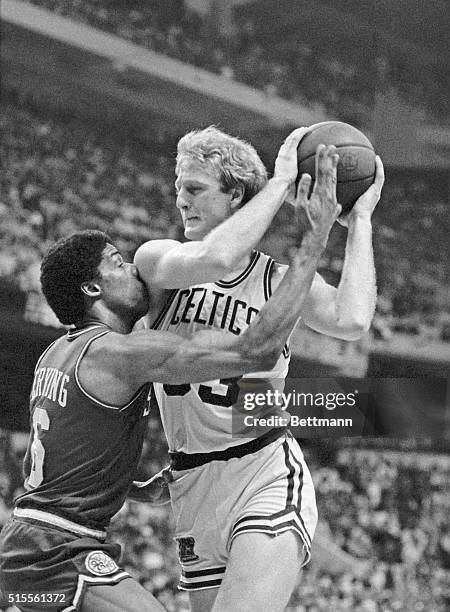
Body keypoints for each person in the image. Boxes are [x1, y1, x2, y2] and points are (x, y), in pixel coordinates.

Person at [0, 155, 340, 612]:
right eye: (118, 265)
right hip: (54, 549)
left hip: (29, 543)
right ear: (93, 290)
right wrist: (314, 241)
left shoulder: (58, 353)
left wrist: (131, 484)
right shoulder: (118, 354)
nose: (133, 271)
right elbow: (254, 352)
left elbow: (72, 446)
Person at [134, 125, 385, 611]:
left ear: (235, 197)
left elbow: (352, 318)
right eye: (179, 188)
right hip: (192, 482)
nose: (181, 200)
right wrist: (279, 184)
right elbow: (216, 256)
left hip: (263, 468)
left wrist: (360, 224)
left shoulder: (275, 280)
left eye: (195, 189)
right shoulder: (158, 259)